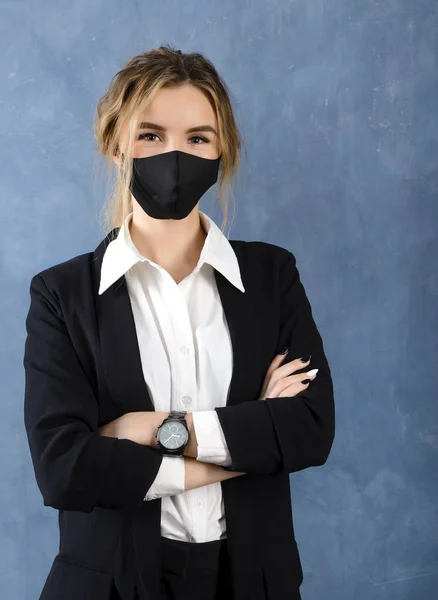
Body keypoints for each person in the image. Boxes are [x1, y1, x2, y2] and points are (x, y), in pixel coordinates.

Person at [23, 44, 335, 600]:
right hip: (109, 585)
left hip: (251, 583)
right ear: (114, 146)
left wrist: (154, 429)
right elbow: (64, 470)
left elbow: (309, 429)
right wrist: (247, 441)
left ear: (223, 152)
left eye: (197, 138)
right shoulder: (61, 294)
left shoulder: (271, 276)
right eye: (151, 135)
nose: (175, 155)